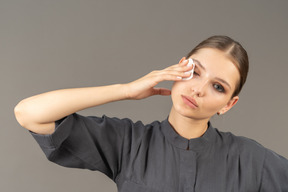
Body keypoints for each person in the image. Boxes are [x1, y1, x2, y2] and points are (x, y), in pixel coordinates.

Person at [14, 36, 288, 191]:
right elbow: (29, 113)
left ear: (229, 104)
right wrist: (126, 89)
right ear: (180, 67)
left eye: (218, 87)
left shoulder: (252, 160)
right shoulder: (128, 143)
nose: (198, 89)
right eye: (195, 72)